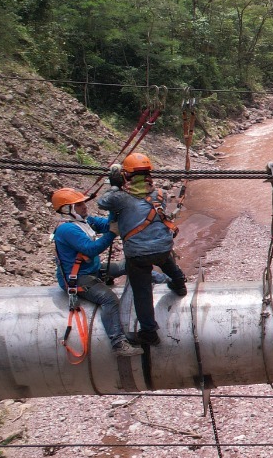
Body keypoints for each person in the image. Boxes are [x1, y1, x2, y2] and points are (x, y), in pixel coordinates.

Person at [99, 152, 186, 347]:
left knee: (142, 292)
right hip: (163, 247)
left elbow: (102, 202)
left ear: (126, 176)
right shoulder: (160, 194)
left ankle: (149, 332)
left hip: (138, 255)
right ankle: (179, 283)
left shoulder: (120, 198)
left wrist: (115, 184)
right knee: (164, 258)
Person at [52, 188, 141, 357]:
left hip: (91, 269)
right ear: (67, 209)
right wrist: (112, 234)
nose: (84, 207)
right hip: (78, 278)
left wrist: (115, 209)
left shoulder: (86, 222)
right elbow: (91, 249)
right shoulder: (67, 230)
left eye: (83, 203)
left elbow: (108, 225)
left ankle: (162, 279)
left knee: (128, 266)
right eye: (79, 204)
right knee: (109, 299)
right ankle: (118, 343)